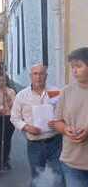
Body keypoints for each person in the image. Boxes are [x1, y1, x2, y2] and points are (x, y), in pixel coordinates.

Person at [11, 64, 64, 187]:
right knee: (37, 177)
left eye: (41, 73)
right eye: (35, 74)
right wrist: (27, 127)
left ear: (46, 76)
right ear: (30, 76)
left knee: (59, 176)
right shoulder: (22, 95)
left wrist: (57, 122)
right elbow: (14, 118)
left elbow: (62, 112)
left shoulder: (54, 92)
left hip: (55, 142)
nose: (38, 77)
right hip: (35, 143)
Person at [49, 48, 88, 187]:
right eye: (72, 67)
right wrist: (66, 129)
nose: (74, 71)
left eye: (78, 66)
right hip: (72, 160)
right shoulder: (66, 91)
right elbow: (57, 121)